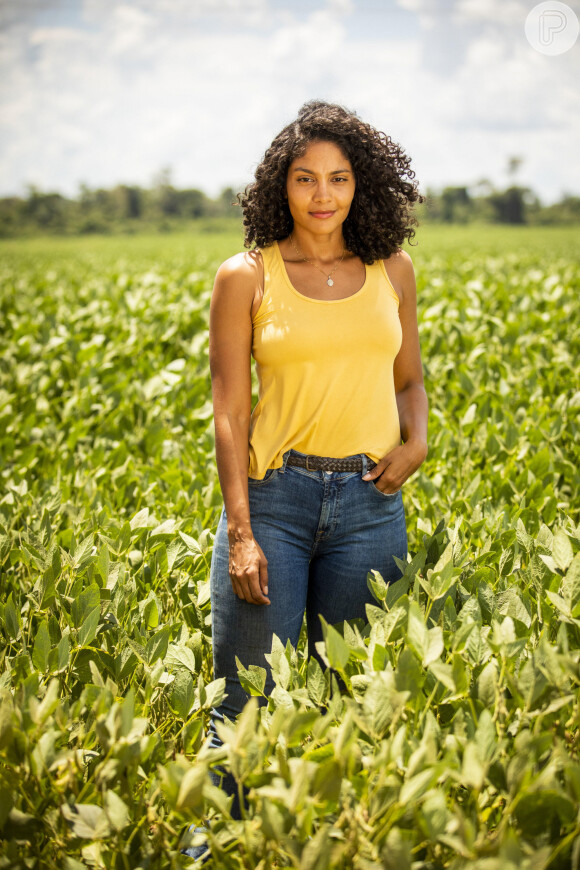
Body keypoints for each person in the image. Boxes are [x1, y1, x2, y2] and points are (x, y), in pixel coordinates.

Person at [182, 99, 428, 861]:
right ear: (278, 187)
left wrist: (417, 442)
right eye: (305, 179)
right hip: (275, 506)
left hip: (371, 507)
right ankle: (217, 848)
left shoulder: (393, 270)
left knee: (349, 691)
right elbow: (228, 413)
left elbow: (409, 381)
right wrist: (243, 533)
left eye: (340, 179)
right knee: (245, 699)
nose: (323, 196)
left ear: (364, 185)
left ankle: (324, 846)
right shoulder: (245, 276)